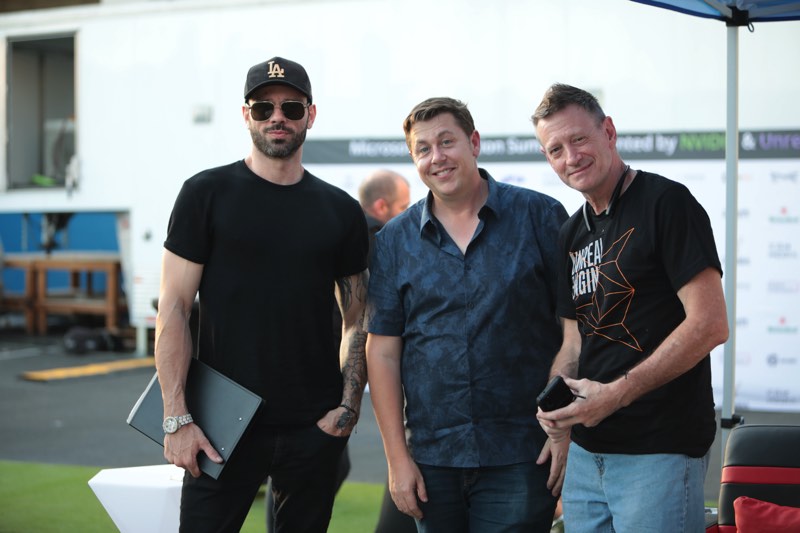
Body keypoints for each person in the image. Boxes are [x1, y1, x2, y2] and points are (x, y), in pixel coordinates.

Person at [155, 56, 370, 533]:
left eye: (291, 108)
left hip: (313, 427)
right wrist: (176, 418)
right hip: (219, 424)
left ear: (310, 115)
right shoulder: (204, 194)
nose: (278, 117)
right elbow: (173, 308)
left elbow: (358, 317)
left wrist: (347, 409)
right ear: (246, 115)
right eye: (263, 108)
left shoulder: (340, 210)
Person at [532, 83, 729, 532]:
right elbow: (573, 342)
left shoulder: (667, 202)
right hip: (586, 454)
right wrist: (558, 412)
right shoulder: (570, 233)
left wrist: (616, 394)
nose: (571, 157)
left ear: (608, 131)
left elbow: (710, 324)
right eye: (556, 149)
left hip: (659, 450)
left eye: (579, 139)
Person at [366, 96, 568, 532]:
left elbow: (576, 329)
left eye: (447, 142)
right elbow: (382, 352)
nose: (436, 157)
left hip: (523, 452)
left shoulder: (539, 216)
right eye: (423, 149)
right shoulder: (393, 241)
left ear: (473, 143)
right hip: (432, 459)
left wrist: (565, 429)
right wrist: (397, 459)